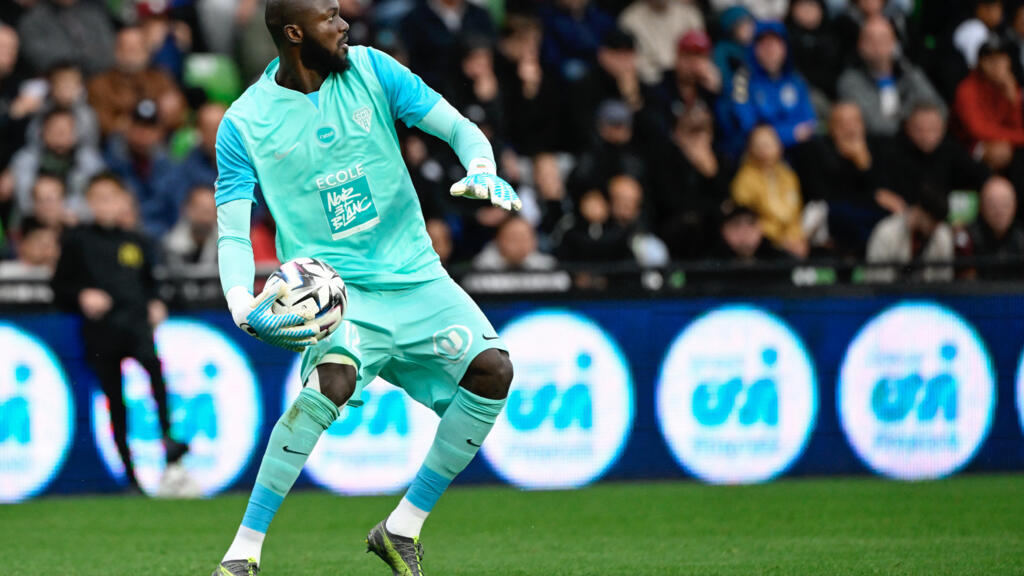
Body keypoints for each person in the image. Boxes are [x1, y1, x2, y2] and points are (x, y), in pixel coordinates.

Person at [209, 2, 520, 574]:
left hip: (417, 274)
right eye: (329, 16)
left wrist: (481, 166)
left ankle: (402, 528)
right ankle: (242, 554)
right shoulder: (244, 122)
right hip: (339, 294)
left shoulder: (373, 69)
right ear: (295, 32)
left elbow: (458, 127)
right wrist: (239, 305)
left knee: (494, 370)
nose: (344, 24)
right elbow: (232, 230)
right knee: (331, 381)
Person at [50, 173, 189, 491]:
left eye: (111, 198)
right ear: (89, 202)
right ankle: (130, 474)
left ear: (123, 202)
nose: (106, 205)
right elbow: (58, 287)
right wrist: (82, 295)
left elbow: (150, 282)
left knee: (155, 373)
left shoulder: (135, 241)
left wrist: (156, 301)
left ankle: (168, 441)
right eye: (99, 199)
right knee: (115, 399)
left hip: (136, 326)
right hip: (102, 333)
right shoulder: (78, 241)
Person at [719, 21, 817, 158]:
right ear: (754, 49)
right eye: (763, 44)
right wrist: (790, 134)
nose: (770, 50)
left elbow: (809, 122)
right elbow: (748, 126)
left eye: (775, 44)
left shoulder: (795, 80)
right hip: (752, 153)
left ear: (785, 48)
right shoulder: (741, 81)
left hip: (795, 151)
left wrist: (785, 133)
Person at [837, 16, 944, 136]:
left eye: (883, 39)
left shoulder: (910, 74)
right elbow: (875, 125)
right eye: (870, 40)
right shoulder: (850, 82)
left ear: (894, 43)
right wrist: (913, 121)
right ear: (860, 45)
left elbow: (939, 110)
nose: (877, 46)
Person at [731, 124, 808, 257]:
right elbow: (746, 221)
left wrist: (797, 238)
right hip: (763, 244)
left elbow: (796, 215)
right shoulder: (744, 180)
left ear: (779, 146)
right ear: (750, 148)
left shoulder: (788, 176)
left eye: (768, 143)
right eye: (759, 144)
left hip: (793, 241)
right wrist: (780, 240)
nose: (764, 149)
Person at [953, 37, 1024, 172]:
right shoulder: (967, 89)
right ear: (980, 62)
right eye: (990, 60)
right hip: (968, 144)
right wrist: (1020, 137)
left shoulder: (1009, 85)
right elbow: (978, 130)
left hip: (1001, 139)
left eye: (1001, 59)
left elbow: (1015, 125)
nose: (996, 65)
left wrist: (1013, 99)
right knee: (1001, 152)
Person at [864, 189, 954, 282]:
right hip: (890, 290)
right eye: (932, 221)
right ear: (919, 211)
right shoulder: (886, 232)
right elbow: (877, 281)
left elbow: (944, 281)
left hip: (928, 291)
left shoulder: (942, 234)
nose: (935, 227)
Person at [16, 0, 115, 75]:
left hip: (99, 77)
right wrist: (78, 61)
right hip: (58, 81)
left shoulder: (93, 13)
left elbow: (107, 51)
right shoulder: (33, 21)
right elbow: (44, 59)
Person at [617, 0, 704, 86]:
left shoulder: (690, 14)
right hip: (650, 82)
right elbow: (632, 62)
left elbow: (700, 54)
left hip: (689, 79)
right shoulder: (629, 20)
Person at [960, 176, 1024, 278]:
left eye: (1005, 204)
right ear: (981, 207)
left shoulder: (1020, 238)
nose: (999, 211)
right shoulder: (969, 239)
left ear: (1014, 205)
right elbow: (965, 281)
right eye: (992, 205)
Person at [163, 184, 218, 270]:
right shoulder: (170, 245)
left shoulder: (226, 246)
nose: (206, 218)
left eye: (212, 211)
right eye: (203, 211)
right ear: (187, 209)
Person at [473, 215, 557, 270]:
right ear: (498, 240)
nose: (520, 244)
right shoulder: (482, 267)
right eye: (514, 238)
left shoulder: (547, 266)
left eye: (524, 238)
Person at [953, 0, 1005, 69]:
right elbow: (973, 65)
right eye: (996, 8)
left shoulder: (990, 31)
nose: (1000, 13)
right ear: (981, 9)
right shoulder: (974, 28)